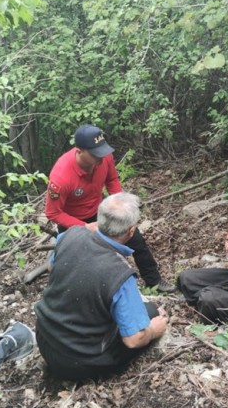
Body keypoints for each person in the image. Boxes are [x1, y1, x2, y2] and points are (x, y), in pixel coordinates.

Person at [35, 192, 169, 381]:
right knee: (152, 314)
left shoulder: (70, 234)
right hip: (81, 363)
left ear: (98, 219)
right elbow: (133, 340)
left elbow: (51, 267)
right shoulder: (119, 273)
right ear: (131, 231)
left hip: (45, 342)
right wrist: (154, 330)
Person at [44, 124, 175, 293]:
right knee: (79, 259)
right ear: (79, 151)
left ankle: (154, 281)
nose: (101, 158)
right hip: (73, 221)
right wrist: (85, 227)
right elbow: (53, 212)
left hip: (101, 211)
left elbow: (112, 180)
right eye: (95, 154)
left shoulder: (103, 157)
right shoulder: (61, 177)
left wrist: (120, 204)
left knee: (135, 239)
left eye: (102, 151)